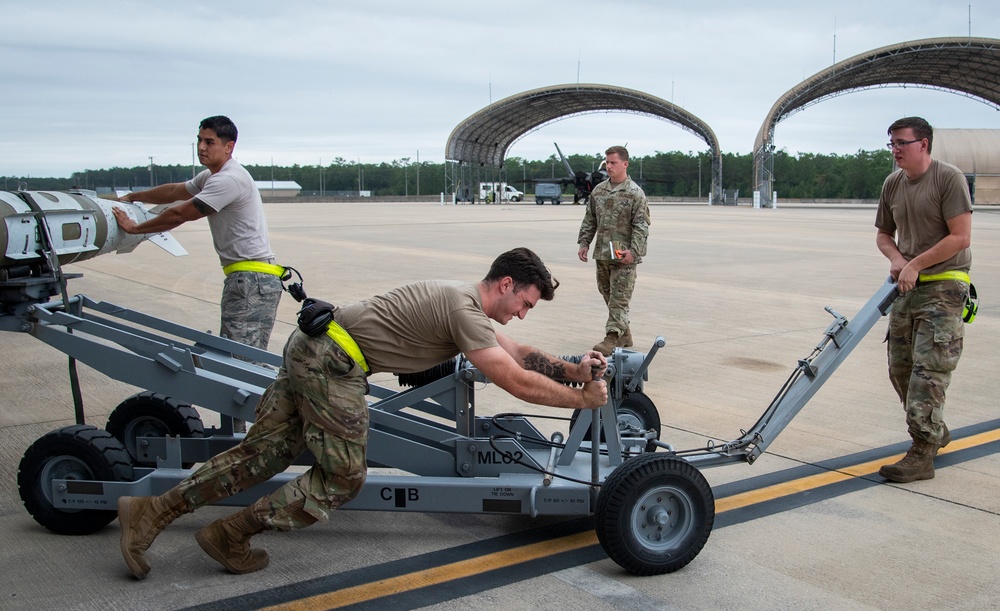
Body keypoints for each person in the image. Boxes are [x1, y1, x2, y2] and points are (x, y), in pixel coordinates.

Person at [117, 247, 609, 579]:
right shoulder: (463, 309)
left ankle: (151, 513)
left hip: (313, 347)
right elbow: (514, 379)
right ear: (505, 284)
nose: (523, 313)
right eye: (525, 302)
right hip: (332, 362)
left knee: (261, 456)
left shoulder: (466, 303)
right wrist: (581, 400)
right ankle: (229, 533)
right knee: (343, 477)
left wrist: (576, 372)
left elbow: (520, 353)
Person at [114, 115, 284, 431]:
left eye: (210, 142)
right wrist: (135, 196)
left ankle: (252, 437)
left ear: (229, 147)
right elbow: (175, 192)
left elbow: (181, 213)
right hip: (251, 280)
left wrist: (135, 228)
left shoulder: (228, 180)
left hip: (250, 283)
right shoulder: (212, 176)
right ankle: (255, 433)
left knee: (240, 369)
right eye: (199, 140)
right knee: (246, 365)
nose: (202, 148)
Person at [875, 116, 973, 483]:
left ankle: (921, 453)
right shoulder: (893, 184)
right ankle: (934, 431)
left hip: (944, 286)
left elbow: (960, 237)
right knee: (900, 368)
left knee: (927, 374)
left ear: (924, 144)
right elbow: (884, 234)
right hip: (907, 286)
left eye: (901, 143)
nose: (895, 150)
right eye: (892, 144)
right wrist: (898, 260)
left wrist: (915, 263)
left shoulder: (948, 179)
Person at [577, 145, 651, 356]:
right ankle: (624, 334)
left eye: (613, 163)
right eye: (607, 162)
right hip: (603, 254)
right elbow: (590, 219)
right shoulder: (599, 191)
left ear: (625, 164)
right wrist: (584, 243)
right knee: (609, 295)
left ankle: (611, 338)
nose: (608, 166)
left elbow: (641, 226)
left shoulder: (634, 193)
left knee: (619, 298)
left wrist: (634, 252)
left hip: (624, 256)